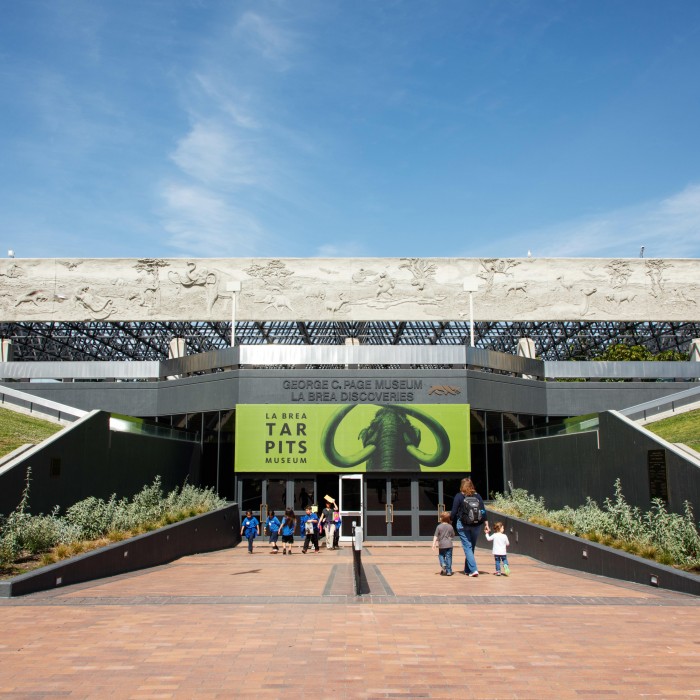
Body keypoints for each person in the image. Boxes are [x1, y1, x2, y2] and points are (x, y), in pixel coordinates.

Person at [450, 477, 488, 577]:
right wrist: (486, 523)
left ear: (462, 486)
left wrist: (449, 522)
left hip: (462, 524)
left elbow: (453, 511)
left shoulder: (459, 496)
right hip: (477, 524)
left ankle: (474, 570)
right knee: (471, 547)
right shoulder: (477, 496)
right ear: (471, 485)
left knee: (467, 547)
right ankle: (468, 569)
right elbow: (483, 510)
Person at [432, 511, 455, 576]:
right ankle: (449, 571)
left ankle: (443, 563)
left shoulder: (439, 527)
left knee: (441, 555)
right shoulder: (450, 526)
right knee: (449, 557)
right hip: (449, 544)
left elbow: (435, 535)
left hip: (442, 544)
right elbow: (453, 535)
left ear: (441, 518)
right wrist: (450, 538)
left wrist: (434, 544)